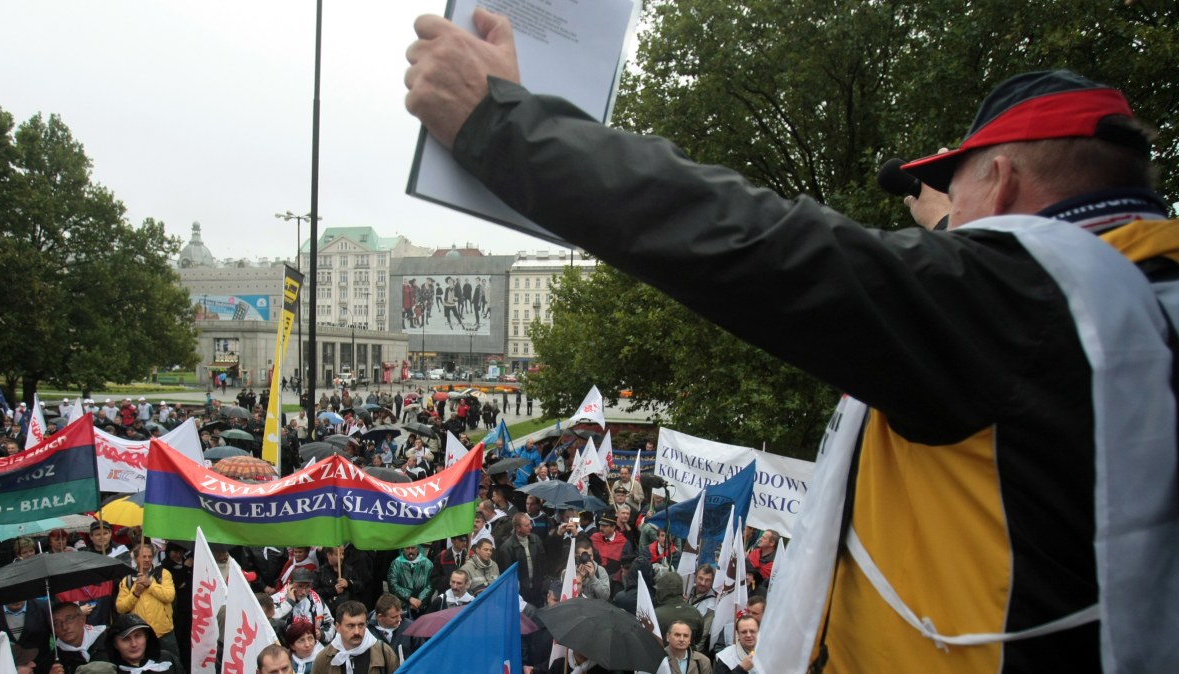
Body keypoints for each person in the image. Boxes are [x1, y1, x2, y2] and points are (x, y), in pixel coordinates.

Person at [404, 16, 1178, 672]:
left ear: (1002, 182)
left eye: (959, 184)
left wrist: (503, 123)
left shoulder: (1018, 305)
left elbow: (751, 243)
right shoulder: (1133, 304)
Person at [114, 543, 177, 659]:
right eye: (143, 557)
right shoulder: (127, 580)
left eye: (150, 556)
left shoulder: (163, 574)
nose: (147, 559)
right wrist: (135, 593)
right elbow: (120, 608)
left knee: (172, 662)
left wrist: (150, 585)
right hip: (140, 634)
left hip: (164, 632)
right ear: (135, 558)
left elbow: (169, 596)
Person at [312, 600, 398, 674]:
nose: (357, 632)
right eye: (351, 626)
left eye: (361, 625)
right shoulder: (324, 658)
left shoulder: (384, 653)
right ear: (338, 627)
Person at [495, 512, 547, 604]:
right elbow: (508, 575)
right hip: (520, 595)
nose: (530, 527)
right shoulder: (507, 548)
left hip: (538, 591)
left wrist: (544, 586)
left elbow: (544, 565)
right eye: (526, 526)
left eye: (530, 524)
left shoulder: (536, 540)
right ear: (518, 528)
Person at [105, 614, 180, 673]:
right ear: (115, 644)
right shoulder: (110, 671)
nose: (134, 644)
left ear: (146, 636)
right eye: (126, 639)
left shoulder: (167, 659)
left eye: (138, 636)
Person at [51, 602, 110, 673]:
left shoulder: (108, 640)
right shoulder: (52, 661)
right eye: (57, 623)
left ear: (82, 619)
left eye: (69, 619)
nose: (64, 627)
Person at [386, 545, 434, 615]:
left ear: (418, 548)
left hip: (423, 606)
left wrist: (420, 600)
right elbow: (393, 585)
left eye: (413, 548)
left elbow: (431, 584)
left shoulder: (428, 564)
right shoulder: (396, 563)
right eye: (407, 548)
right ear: (403, 549)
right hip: (402, 608)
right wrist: (409, 598)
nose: (410, 551)